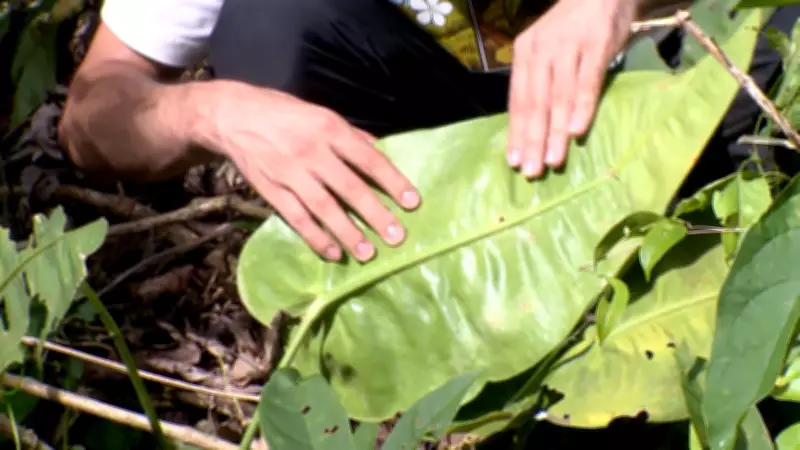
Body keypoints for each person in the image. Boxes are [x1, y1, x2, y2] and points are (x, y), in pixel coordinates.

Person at [58, 0, 797, 264]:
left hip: (643, 113)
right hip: (433, 190)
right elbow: (95, 110)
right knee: (270, 23)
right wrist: (213, 113)